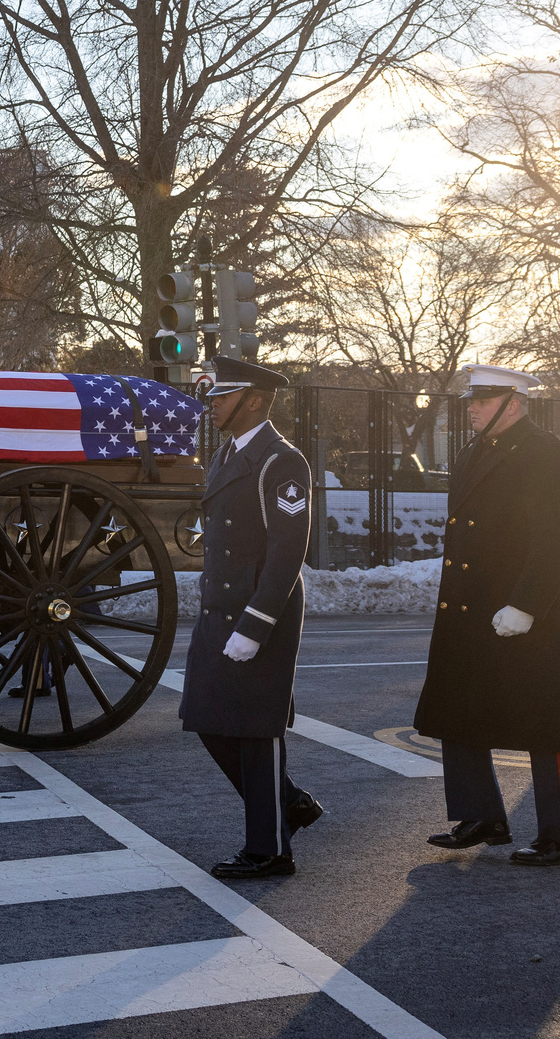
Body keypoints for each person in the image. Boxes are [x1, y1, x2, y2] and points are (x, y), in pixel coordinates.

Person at [415, 364, 560, 867]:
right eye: (471, 399)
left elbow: (556, 541)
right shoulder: (475, 451)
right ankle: (479, 814)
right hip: (473, 603)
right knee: (458, 708)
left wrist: (525, 604)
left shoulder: (550, 457)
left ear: (513, 402)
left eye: (482, 399)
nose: (471, 407)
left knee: (549, 722)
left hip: (528, 610)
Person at [179, 356, 323, 880]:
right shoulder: (226, 454)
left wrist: (256, 625)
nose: (211, 403)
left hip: (259, 610)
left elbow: (288, 551)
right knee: (207, 717)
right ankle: (291, 804)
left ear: (255, 400)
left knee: (257, 731)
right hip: (221, 608)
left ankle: (270, 849)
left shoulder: (280, 460)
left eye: (221, 395)